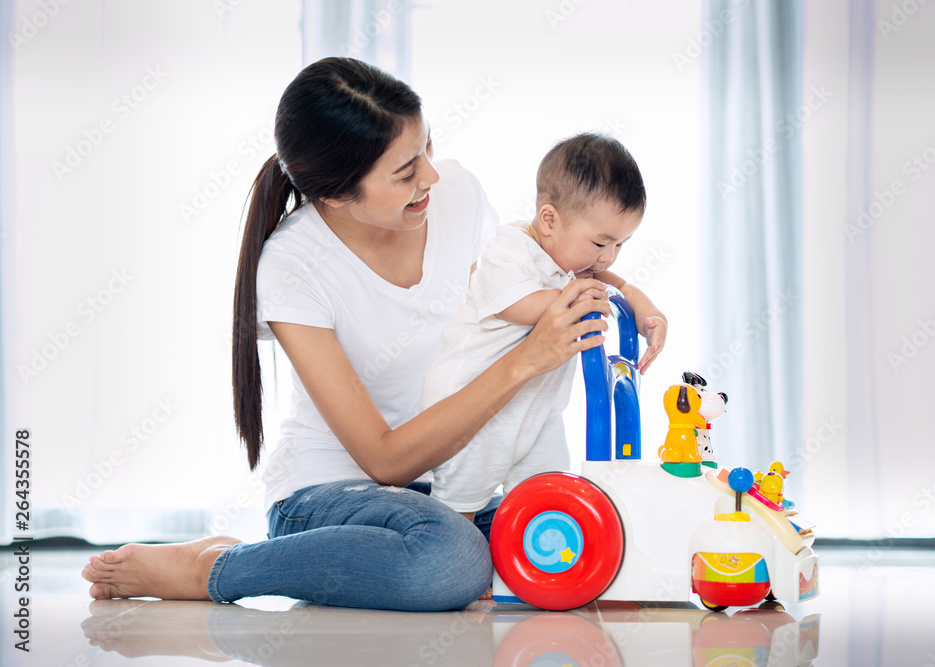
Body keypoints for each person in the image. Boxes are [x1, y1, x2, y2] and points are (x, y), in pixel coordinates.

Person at [80, 57, 612, 611]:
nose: (431, 176)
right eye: (406, 172)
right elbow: (384, 462)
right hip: (329, 494)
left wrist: (623, 294)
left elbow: (536, 278)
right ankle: (214, 568)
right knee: (450, 560)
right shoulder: (292, 266)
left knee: (575, 530)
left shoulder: (458, 192)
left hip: (439, 490)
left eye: (428, 148)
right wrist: (527, 360)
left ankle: (385, 555)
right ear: (336, 195)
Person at [419, 133, 667, 517]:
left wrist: (651, 316)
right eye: (601, 243)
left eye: (621, 245)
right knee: (460, 510)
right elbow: (519, 305)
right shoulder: (509, 250)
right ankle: (465, 569)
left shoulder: (578, 265)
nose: (609, 257)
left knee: (548, 500)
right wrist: (577, 299)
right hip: (477, 415)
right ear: (549, 220)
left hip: (538, 415)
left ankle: (538, 568)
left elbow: (621, 287)